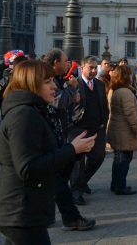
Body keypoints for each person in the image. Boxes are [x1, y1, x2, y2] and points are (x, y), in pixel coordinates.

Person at [0, 61, 96, 244]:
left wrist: (75, 151)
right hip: (22, 210)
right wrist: (72, 149)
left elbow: (46, 157)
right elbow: (28, 168)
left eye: (52, 80)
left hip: (27, 210)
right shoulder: (24, 115)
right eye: (47, 82)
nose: (54, 86)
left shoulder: (34, 111)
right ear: (31, 84)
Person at [44, 48, 96, 231]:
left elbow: (65, 100)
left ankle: (51, 215)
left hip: (57, 133)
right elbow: (58, 101)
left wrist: (72, 95)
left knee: (56, 179)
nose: (68, 64)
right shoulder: (47, 78)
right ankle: (71, 218)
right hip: (50, 135)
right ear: (56, 62)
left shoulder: (57, 79)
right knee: (58, 180)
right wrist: (72, 88)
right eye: (66, 61)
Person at [69, 56, 110, 206]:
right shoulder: (75, 84)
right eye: (90, 67)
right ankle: (76, 192)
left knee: (98, 157)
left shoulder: (99, 84)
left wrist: (103, 123)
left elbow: (104, 106)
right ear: (82, 68)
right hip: (78, 128)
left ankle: (82, 181)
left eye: (95, 68)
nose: (93, 71)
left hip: (96, 129)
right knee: (78, 162)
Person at [107, 65, 137, 195]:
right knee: (124, 159)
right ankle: (120, 185)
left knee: (118, 158)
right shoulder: (125, 92)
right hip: (124, 130)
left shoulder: (115, 90)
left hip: (116, 128)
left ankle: (115, 184)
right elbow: (130, 114)